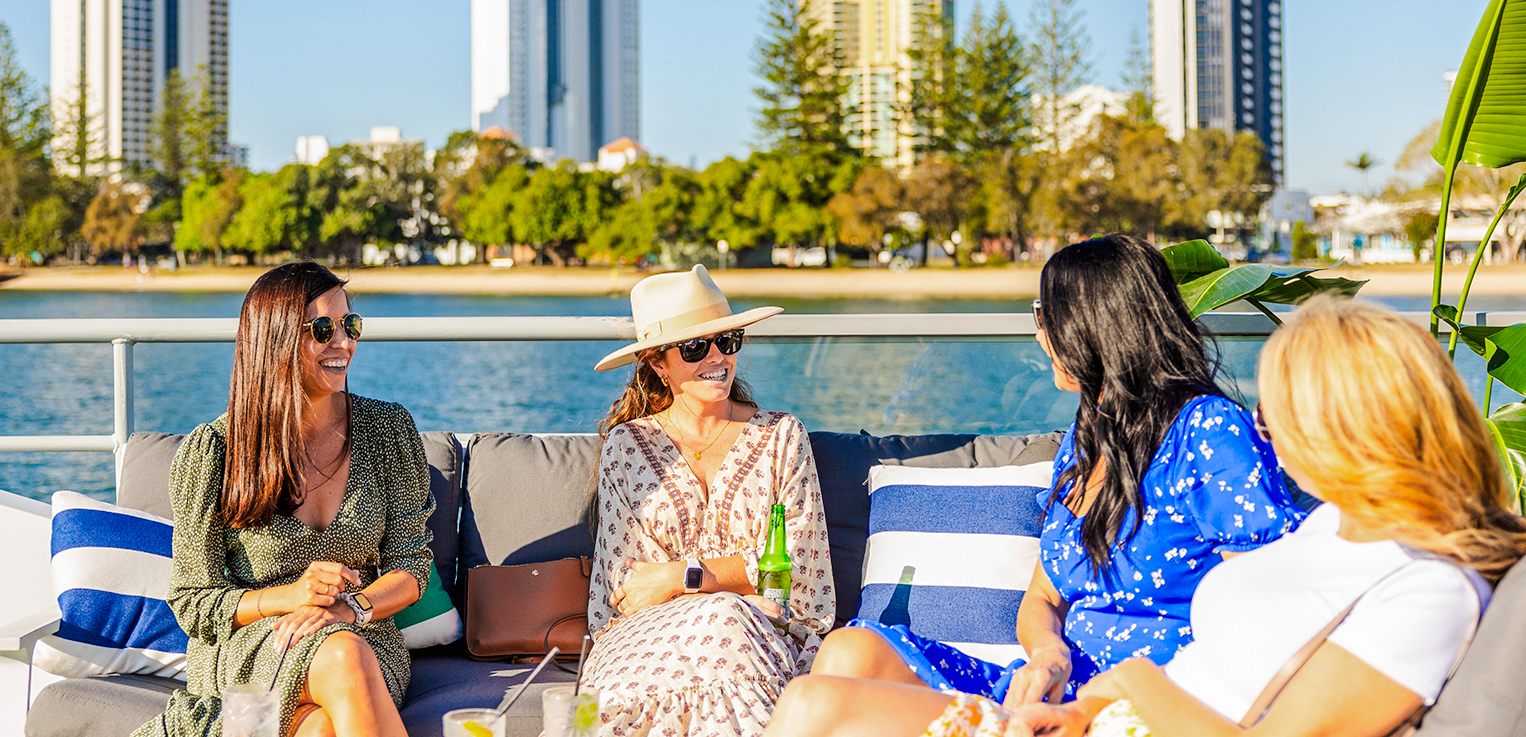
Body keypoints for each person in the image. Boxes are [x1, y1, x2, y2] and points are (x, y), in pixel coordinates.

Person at [765, 296, 1526, 737]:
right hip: (1105, 713)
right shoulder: (1336, 525)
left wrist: (1122, 685)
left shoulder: (1426, 587)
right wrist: (1083, 696)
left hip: (1132, 718)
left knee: (816, 706)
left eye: (1275, 414)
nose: (1258, 429)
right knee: (837, 674)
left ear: (1348, 425)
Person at [805, 235, 1303, 709]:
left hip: (1153, 698)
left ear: (1095, 327)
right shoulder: (1085, 441)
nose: (1039, 333)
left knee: (825, 706)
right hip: (1058, 686)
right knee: (850, 652)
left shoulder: (1208, 431)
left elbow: (1265, 599)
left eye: (1045, 316)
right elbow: (1043, 595)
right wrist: (1047, 653)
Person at [134, 263, 436, 737]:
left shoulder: (388, 431)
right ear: (274, 341)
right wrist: (291, 596)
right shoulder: (216, 451)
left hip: (363, 632)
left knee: (324, 719)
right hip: (256, 642)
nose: (344, 343)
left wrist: (350, 608)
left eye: (349, 325)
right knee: (338, 669)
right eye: (322, 330)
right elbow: (194, 602)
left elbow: (412, 570)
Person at [579, 264, 836, 737]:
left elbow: (804, 578)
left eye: (729, 340)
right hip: (646, 647)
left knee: (726, 623)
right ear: (659, 363)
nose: (718, 357)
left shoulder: (781, 437)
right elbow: (623, 594)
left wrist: (681, 576)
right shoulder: (627, 446)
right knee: (719, 621)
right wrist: (742, 582)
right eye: (696, 346)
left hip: (757, 639)